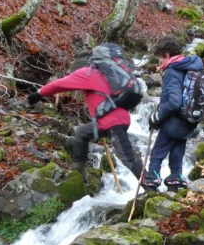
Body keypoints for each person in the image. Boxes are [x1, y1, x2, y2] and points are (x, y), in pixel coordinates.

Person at [27, 53, 144, 184]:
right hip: (110, 121)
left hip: (113, 122)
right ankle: (79, 172)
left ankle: (150, 184)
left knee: (128, 158)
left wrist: (39, 93)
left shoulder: (86, 73)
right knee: (82, 133)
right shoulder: (103, 74)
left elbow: (59, 84)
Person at [146, 36, 204, 190]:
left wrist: (157, 116)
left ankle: (151, 182)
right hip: (189, 121)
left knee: (157, 154)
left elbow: (174, 102)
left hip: (173, 122)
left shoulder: (172, 71)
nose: (159, 62)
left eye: (160, 58)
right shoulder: (192, 67)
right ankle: (176, 180)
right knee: (177, 153)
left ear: (167, 55)